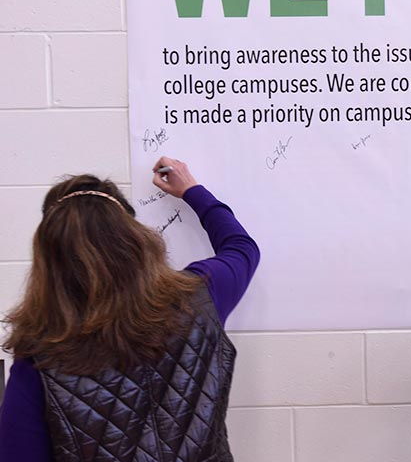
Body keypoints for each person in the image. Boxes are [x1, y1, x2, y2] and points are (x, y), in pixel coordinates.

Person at [0, 157, 260, 462]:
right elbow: (241, 248)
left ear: (50, 260)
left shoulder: (40, 355)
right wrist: (192, 189)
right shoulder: (200, 296)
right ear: (134, 237)